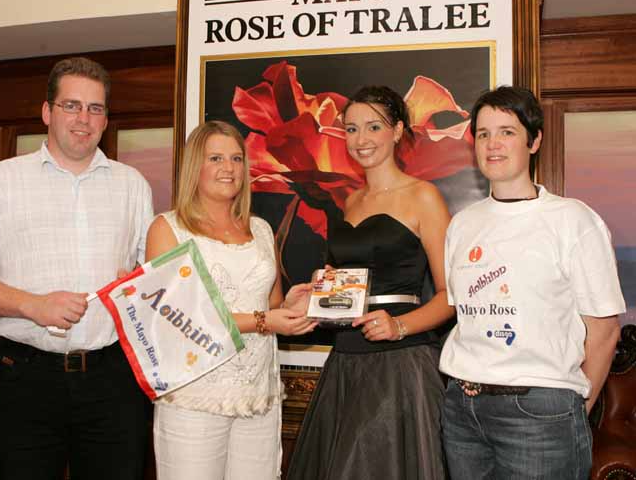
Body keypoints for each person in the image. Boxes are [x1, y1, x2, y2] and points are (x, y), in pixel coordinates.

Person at [0, 57, 154, 480]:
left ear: (106, 118)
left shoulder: (133, 185)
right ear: (47, 112)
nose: (83, 118)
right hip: (26, 382)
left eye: (95, 108)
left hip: (113, 383)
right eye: (71, 105)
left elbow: (150, 280)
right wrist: (31, 305)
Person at [439, 86, 625, 480]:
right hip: (462, 409)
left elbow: (605, 331)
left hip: (540, 414)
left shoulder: (573, 220)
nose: (493, 144)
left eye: (507, 132)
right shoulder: (461, 225)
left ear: (534, 140)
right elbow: (463, 319)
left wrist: (574, 407)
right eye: (484, 133)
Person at [287, 85, 454, 480]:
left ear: (397, 131)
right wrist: (322, 287)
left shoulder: (424, 196)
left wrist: (398, 326)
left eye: (373, 127)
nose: (361, 140)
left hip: (401, 364)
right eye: (351, 129)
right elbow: (348, 282)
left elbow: (452, 295)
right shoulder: (351, 202)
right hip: (346, 359)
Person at [146, 120, 316, 480]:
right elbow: (174, 317)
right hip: (195, 395)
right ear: (196, 166)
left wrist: (293, 306)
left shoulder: (260, 229)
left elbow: (271, 306)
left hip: (258, 397)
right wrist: (264, 321)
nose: (229, 168)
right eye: (216, 158)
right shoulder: (168, 228)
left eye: (237, 158)